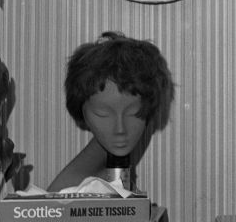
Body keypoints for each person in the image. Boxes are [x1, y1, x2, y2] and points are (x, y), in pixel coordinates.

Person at [48, 32, 175, 193]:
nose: (120, 129)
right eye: (102, 114)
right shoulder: (75, 188)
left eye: (134, 112)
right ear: (82, 111)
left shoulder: (112, 173)